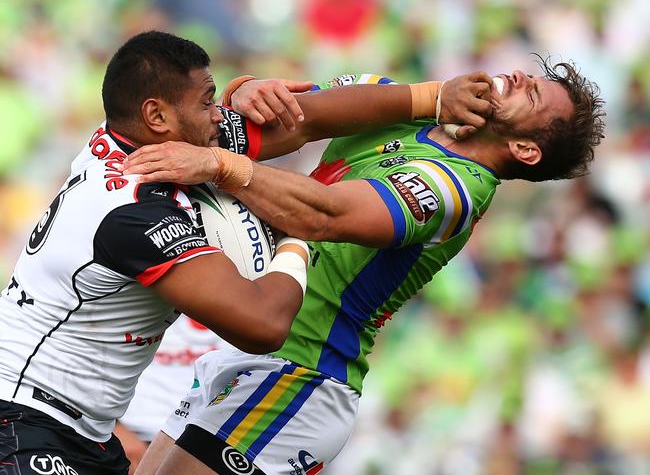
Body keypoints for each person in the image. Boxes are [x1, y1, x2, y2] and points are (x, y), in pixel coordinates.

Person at [0, 30, 493, 474]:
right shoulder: (137, 210)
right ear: (157, 115)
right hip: (25, 426)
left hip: (76, 432)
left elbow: (303, 122)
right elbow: (263, 323)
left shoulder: (145, 147)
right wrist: (297, 235)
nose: (221, 115)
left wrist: (434, 97)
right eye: (209, 102)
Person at [123, 59, 606, 475]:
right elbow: (276, 121)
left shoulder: (455, 190)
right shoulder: (398, 102)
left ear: (525, 150)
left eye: (533, 93)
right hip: (243, 354)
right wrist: (246, 90)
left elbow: (323, 214)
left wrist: (219, 166)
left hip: (301, 375)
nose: (519, 76)